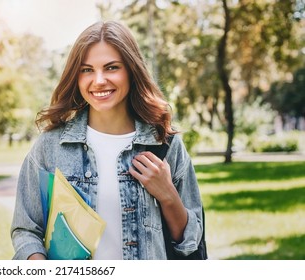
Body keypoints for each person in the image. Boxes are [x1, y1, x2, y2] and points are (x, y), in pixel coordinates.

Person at [10, 21, 203, 260]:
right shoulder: (50, 146)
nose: (99, 80)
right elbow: (26, 230)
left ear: (132, 70)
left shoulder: (164, 144)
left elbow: (190, 242)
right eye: (87, 70)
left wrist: (168, 196)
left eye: (111, 68)